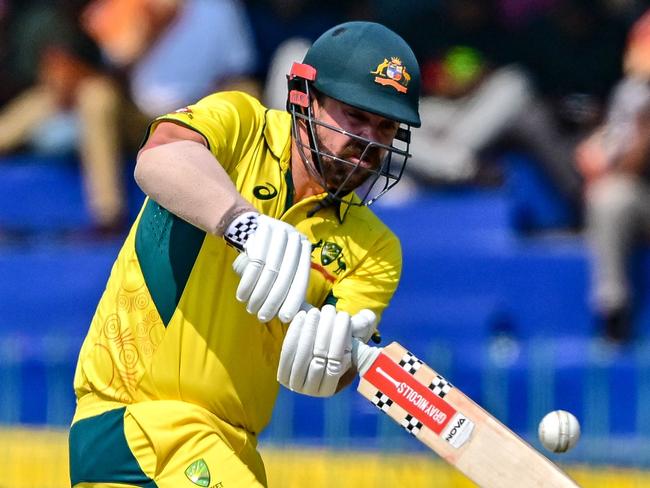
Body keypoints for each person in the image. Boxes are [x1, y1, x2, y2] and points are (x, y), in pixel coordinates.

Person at [68, 21, 420, 487]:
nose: (369, 142)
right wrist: (242, 222)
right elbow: (158, 158)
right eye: (355, 117)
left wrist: (333, 362)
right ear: (303, 95)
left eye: (385, 127)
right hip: (139, 424)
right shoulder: (242, 125)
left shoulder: (375, 249)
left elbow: (333, 370)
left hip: (229, 447)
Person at [576, 9, 650, 343]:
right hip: (643, 200)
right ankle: (614, 310)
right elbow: (623, 164)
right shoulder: (633, 93)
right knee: (609, 197)